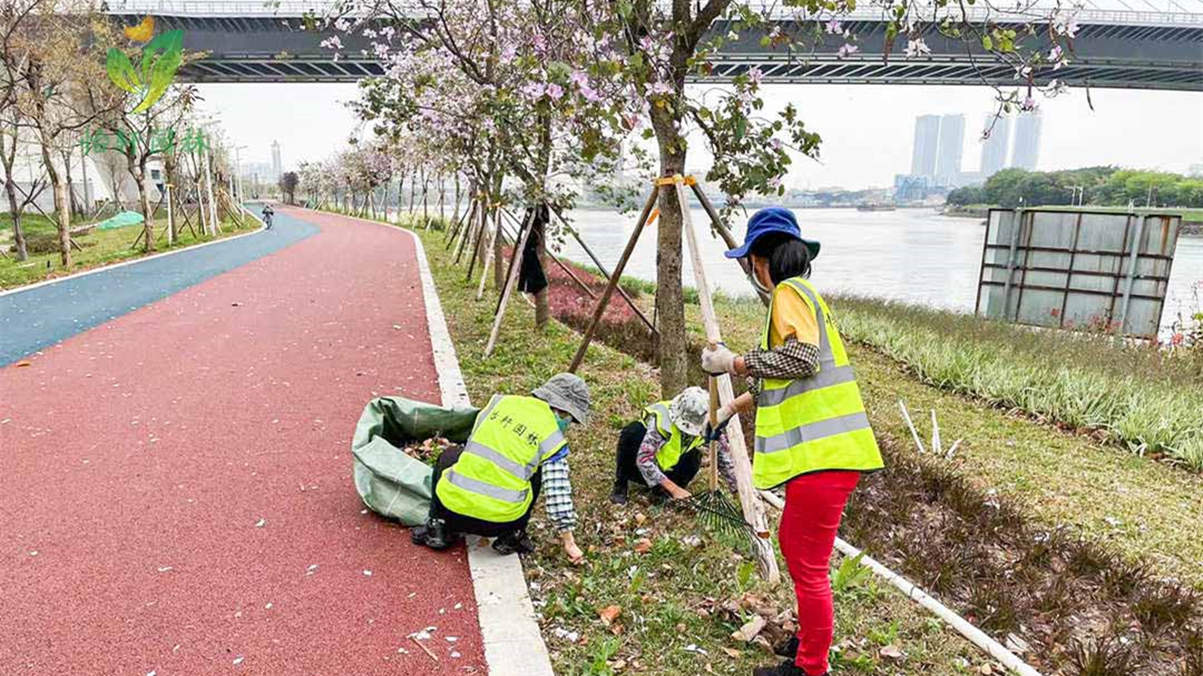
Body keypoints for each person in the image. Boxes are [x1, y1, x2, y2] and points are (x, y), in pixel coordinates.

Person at [700, 207, 884, 676]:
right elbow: (783, 381)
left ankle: (810, 667)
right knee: (796, 547)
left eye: (749, 261)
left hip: (824, 456)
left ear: (759, 259)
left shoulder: (788, 293)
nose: (750, 269)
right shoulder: (804, 297)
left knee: (807, 561)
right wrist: (729, 408)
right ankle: (809, 640)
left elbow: (800, 361)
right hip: (828, 456)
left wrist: (734, 363)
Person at [412, 373, 589, 564]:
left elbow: (472, 443)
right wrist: (569, 543)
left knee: (450, 455)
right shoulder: (552, 438)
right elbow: (557, 494)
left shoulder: (499, 403)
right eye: (569, 418)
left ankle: (437, 525)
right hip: (499, 525)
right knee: (535, 470)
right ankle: (513, 536)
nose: (567, 423)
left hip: (452, 512)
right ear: (561, 411)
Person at [610, 386, 736, 504]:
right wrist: (674, 489)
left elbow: (724, 457)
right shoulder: (662, 421)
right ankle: (621, 484)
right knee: (631, 432)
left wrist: (736, 489)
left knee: (694, 457)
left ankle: (661, 492)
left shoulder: (710, 424)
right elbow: (644, 460)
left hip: (668, 468)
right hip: (639, 468)